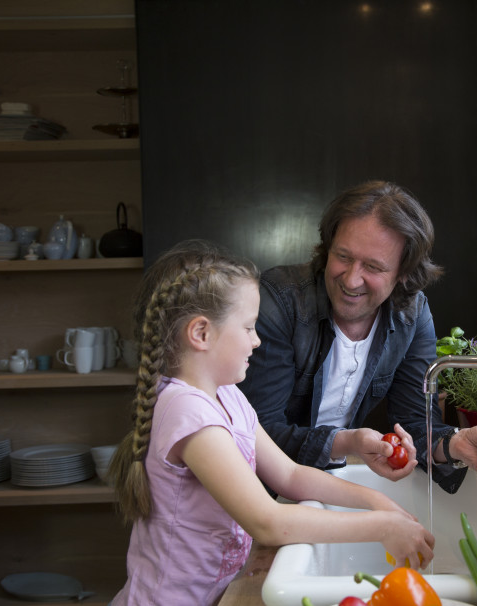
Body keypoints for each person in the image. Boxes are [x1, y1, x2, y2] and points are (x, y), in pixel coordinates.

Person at [108, 239, 435, 605]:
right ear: (201, 334)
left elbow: (291, 476)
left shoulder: (226, 395)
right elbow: (267, 521)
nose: (257, 341)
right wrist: (380, 527)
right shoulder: (188, 414)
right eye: (248, 328)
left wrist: (377, 502)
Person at [238, 180, 477, 495]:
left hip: (318, 485)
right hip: (247, 491)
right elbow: (256, 432)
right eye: (343, 256)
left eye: (373, 266)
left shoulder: (411, 316)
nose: (351, 279)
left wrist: (455, 443)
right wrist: (347, 442)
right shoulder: (279, 300)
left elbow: (415, 423)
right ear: (328, 245)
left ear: (403, 272)